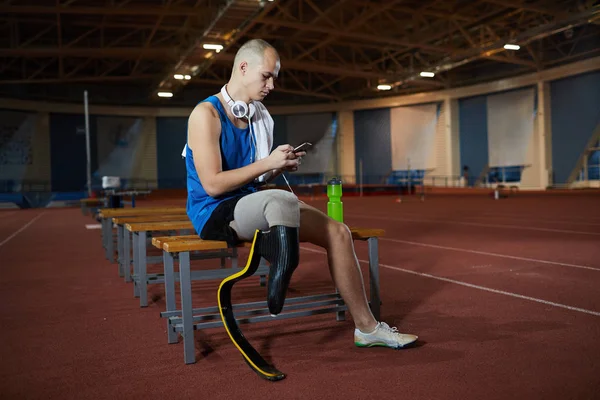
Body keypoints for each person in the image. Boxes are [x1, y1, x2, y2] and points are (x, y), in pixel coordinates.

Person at [184, 38, 418, 349]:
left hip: (257, 201)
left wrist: (278, 166)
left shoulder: (261, 116)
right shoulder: (205, 115)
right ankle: (283, 266)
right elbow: (212, 184)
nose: (272, 85)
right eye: (266, 76)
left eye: (275, 78)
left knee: (338, 231)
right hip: (214, 210)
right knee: (282, 200)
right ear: (243, 67)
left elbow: (259, 174)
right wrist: (268, 164)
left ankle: (367, 327)